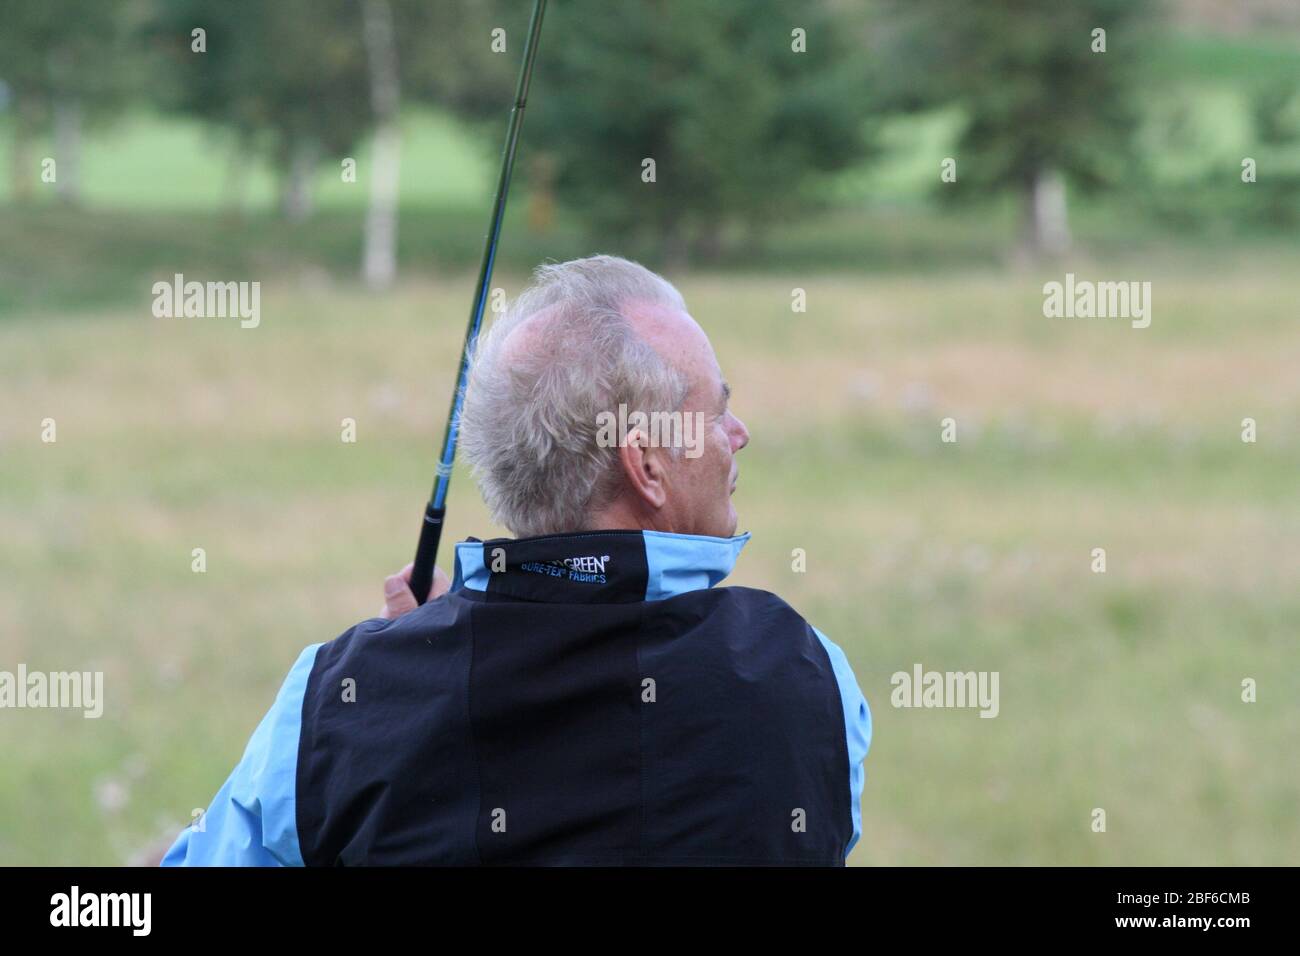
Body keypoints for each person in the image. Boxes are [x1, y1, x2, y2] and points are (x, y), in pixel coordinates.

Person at [162, 255, 870, 866]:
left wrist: (398, 682)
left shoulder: (330, 710)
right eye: (717, 413)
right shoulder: (808, 676)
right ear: (647, 466)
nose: (737, 435)